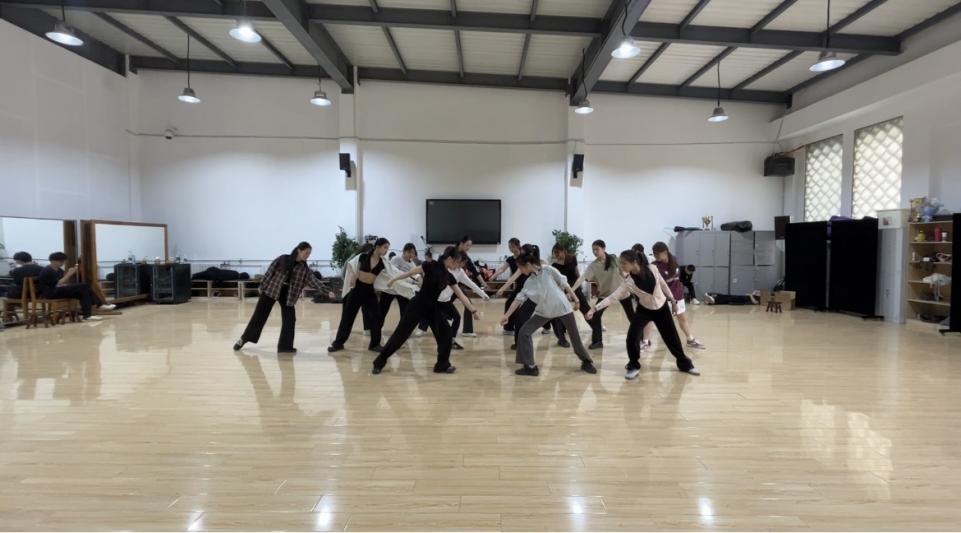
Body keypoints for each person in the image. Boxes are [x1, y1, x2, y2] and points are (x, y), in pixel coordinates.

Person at [586, 250, 700, 380]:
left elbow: (663, 284)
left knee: (672, 337)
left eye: (624, 263)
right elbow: (613, 297)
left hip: (661, 308)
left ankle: (685, 364)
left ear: (634, 262)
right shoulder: (628, 282)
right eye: (620, 263)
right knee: (632, 337)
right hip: (644, 310)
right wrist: (594, 309)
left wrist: (673, 301)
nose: (621, 266)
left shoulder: (653, 268)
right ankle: (633, 366)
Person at [371, 246, 481, 375]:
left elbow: (461, 295)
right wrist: (394, 279)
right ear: (450, 259)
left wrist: (473, 311)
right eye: (456, 262)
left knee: (446, 334)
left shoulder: (449, 276)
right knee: (400, 335)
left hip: (432, 308)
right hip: (418, 304)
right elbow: (411, 273)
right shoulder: (431, 265)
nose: (457, 266)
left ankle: (442, 365)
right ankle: (379, 362)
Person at [500, 252, 597, 376]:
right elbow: (518, 299)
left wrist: (576, 300)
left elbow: (565, 284)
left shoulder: (548, 270)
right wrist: (506, 315)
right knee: (524, 332)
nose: (520, 270)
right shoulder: (529, 282)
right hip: (544, 311)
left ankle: (586, 362)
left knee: (575, 337)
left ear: (528, 264)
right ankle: (530, 367)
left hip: (563, 308)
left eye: (520, 267)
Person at [234, 242, 327, 353]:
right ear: (299, 250)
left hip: (288, 294)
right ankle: (244, 339)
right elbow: (270, 272)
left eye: (309, 254)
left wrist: (327, 291)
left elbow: (313, 280)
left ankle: (285, 347)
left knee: (290, 319)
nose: (308, 256)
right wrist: (262, 286)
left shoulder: (304, 268)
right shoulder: (283, 259)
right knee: (259, 316)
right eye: (306, 253)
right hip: (272, 289)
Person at [329, 238, 390, 353]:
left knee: (376, 318)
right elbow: (350, 264)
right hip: (357, 290)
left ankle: (375, 344)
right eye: (385, 247)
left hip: (369, 291)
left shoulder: (384, 263)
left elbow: (394, 272)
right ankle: (338, 343)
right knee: (347, 317)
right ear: (377, 247)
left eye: (387, 248)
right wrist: (353, 275)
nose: (386, 250)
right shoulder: (363, 256)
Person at [414, 262, 489, 349]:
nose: (461, 264)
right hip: (436, 300)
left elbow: (470, 284)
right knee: (437, 322)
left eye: (463, 263)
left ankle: (452, 340)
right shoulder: (443, 268)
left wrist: (483, 294)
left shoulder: (460, 272)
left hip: (448, 299)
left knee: (457, 317)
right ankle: (424, 329)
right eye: (459, 261)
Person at [651, 242, 705, 350]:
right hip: (665, 298)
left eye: (657, 254)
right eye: (654, 254)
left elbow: (677, 277)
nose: (656, 256)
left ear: (665, 252)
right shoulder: (655, 266)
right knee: (663, 322)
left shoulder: (674, 259)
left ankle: (690, 339)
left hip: (678, 295)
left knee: (683, 319)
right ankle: (649, 341)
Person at [572, 240, 623, 349]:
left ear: (604, 249)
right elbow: (581, 278)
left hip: (621, 292)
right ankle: (598, 342)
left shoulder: (613, 258)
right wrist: (571, 290)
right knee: (596, 316)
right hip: (606, 295)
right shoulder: (593, 265)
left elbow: (623, 270)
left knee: (632, 315)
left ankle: (642, 339)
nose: (595, 252)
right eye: (593, 250)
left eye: (597, 249)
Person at [38, 252, 115, 321]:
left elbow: (60, 283)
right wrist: (69, 274)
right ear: (53, 261)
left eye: (63, 261)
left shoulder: (59, 270)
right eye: (61, 261)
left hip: (58, 290)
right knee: (84, 286)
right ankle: (100, 305)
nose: (62, 263)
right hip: (51, 293)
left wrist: (64, 283)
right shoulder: (47, 270)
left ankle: (87, 315)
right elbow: (58, 283)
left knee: (83, 292)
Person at [549, 244, 590, 348]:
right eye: (555, 253)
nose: (556, 255)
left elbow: (577, 273)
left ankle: (595, 326)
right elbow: (556, 281)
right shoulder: (554, 265)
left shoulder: (572, 259)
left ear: (563, 251)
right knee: (561, 313)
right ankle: (561, 339)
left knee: (585, 307)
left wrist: (580, 284)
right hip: (563, 289)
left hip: (575, 287)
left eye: (557, 252)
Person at [455, 235, 489, 337]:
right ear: (461, 243)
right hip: (445, 285)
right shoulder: (451, 253)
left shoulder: (465, 258)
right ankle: (423, 327)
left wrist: (483, 286)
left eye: (470, 246)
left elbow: (474, 272)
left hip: (457, 286)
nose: (468, 248)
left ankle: (467, 331)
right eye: (467, 245)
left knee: (468, 304)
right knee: (436, 304)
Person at [379, 243, 419, 321]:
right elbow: (391, 272)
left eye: (413, 252)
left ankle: (402, 328)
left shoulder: (412, 264)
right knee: (382, 311)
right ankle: (377, 326)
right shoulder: (396, 259)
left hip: (402, 291)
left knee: (405, 313)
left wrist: (417, 280)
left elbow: (416, 275)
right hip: (390, 289)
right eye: (409, 252)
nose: (411, 255)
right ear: (404, 251)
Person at [490, 238, 522, 334]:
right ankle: (508, 328)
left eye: (512, 246)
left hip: (527, 285)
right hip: (519, 286)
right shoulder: (510, 259)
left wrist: (504, 288)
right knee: (510, 303)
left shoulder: (523, 258)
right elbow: (502, 269)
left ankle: (545, 326)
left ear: (518, 246)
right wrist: (493, 276)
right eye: (509, 247)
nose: (510, 249)